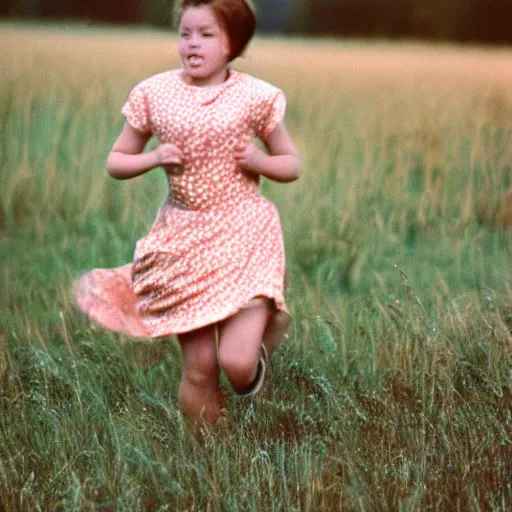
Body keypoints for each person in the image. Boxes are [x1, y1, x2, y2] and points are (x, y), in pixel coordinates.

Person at [74, 0, 302, 425]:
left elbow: (291, 163)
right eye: (185, 33)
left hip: (245, 237)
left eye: (206, 34)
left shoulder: (256, 96)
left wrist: (259, 162)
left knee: (236, 366)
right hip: (183, 242)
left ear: (232, 43)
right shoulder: (153, 93)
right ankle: (212, 465)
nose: (192, 44)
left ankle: (266, 330)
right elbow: (117, 160)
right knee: (199, 369)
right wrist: (155, 156)